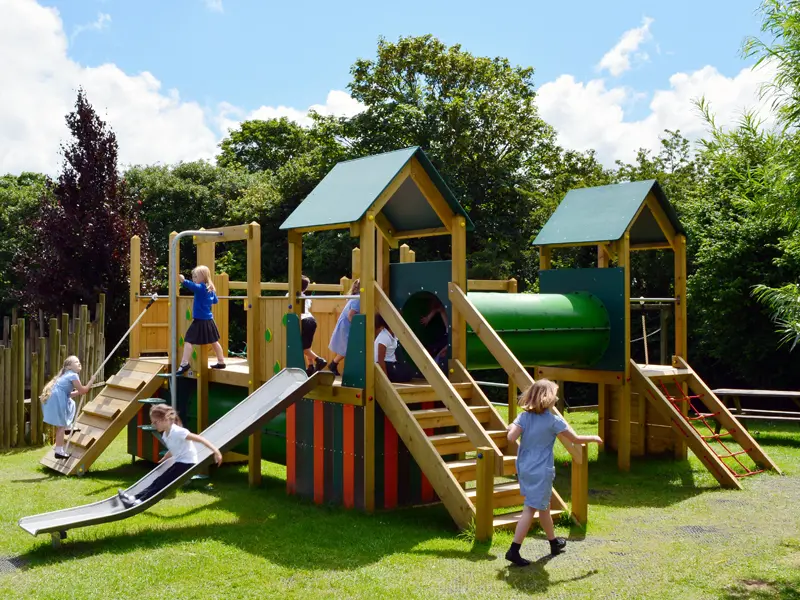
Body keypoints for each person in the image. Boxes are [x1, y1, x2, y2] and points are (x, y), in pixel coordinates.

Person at [505, 379, 602, 565]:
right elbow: (575, 438)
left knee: (544, 507)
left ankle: (553, 543)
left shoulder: (523, 418)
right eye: (555, 395)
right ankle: (513, 550)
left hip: (525, 469)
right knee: (530, 509)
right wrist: (594, 437)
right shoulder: (553, 421)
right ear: (548, 399)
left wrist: (511, 426)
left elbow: (511, 438)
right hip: (542, 471)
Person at [118, 404, 223, 508]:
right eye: (152, 422)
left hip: (187, 463)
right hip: (180, 463)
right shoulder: (165, 434)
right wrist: (165, 457)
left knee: (162, 483)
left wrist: (216, 452)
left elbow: (201, 439)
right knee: (158, 480)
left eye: (155, 422)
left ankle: (139, 502)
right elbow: (174, 447)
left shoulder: (179, 432)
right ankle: (134, 498)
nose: (153, 425)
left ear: (166, 419)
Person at [40, 356, 95, 459]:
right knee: (61, 426)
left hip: (54, 398)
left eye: (79, 361)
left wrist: (79, 392)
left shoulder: (65, 376)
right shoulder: (73, 375)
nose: (79, 363)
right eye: (76, 362)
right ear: (69, 366)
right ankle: (59, 451)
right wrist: (91, 381)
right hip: (57, 399)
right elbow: (83, 390)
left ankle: (69, 427)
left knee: (71, 403)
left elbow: (67, 395)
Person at [177, 265, 225, 375]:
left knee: (188, 339)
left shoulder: (201, 287)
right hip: (209, 320)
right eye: (193, 277)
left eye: (195, 276)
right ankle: (221, 361)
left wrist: (183, 280)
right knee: (214, 341)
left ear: (202, 277)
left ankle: (184, 363)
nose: (193, 279)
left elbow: (191, 286)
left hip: (199, 320)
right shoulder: (211, 289)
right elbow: (215, 301)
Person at [327, 279, 360, 377]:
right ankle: (333, 364)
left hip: (345, 324)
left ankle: (333, 364)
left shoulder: (354, 297)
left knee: (347, 348)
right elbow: (351, 315)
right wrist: (356, 327)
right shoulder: (358, 298)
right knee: (348, 348)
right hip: (347, 325)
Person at [298, 275, 326, 375]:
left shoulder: (290, 295)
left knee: (302, 347)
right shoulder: (307, 298)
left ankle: (319, 360)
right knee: (307, 346)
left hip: (303, 321)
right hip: (312, 320)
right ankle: (310, 366)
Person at [374, 315, 414, 383]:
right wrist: (385, 380)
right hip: (386, 364)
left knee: (409, 371)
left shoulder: (393, 335)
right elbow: (380, 360)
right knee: (404, 374)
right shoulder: (384, 337)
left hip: (392, 363)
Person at [420, 297, 449, 371]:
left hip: (447, 342)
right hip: (445, 340)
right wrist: (428, 317)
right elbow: (440, 309)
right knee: (435, 348)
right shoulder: (447, 327)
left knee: (439, 354)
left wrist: (445, 349)